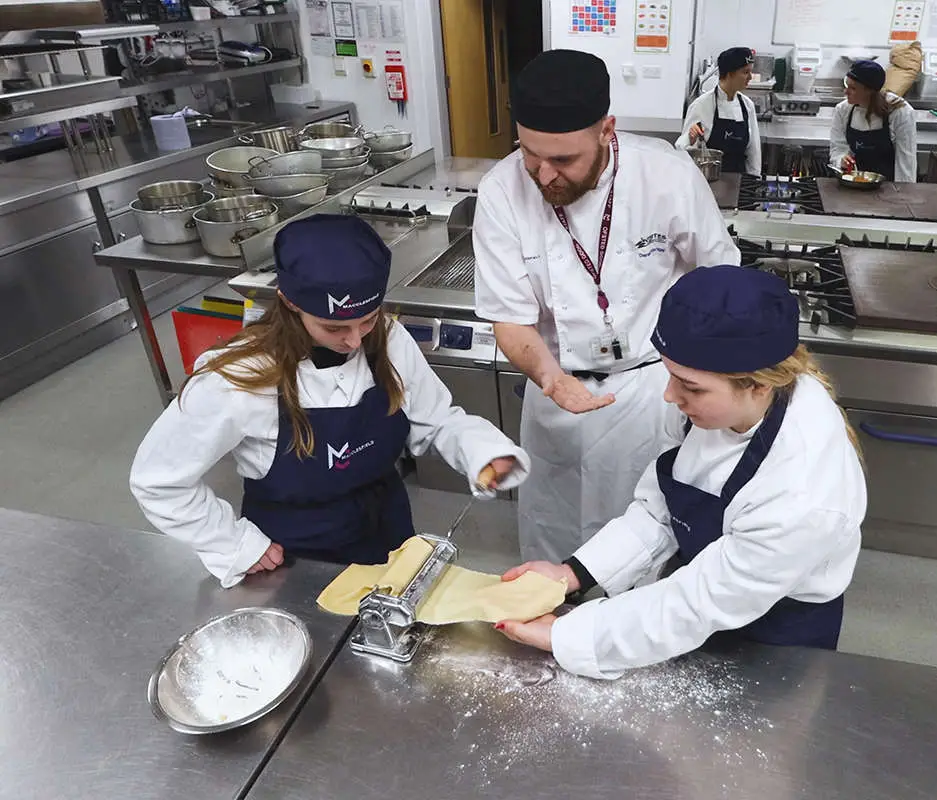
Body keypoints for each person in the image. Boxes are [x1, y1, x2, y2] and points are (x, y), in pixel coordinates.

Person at [494, 266, 867, 680]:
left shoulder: (802, 492)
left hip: (777, 633)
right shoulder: (710, 411)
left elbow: (698, 603)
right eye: (670, 376)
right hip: (691, 606)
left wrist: (571, 635)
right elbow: (659, 508)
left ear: (759, 385)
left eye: (691, 387)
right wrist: (573, 574)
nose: (670, 396)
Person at [130, 215, 529, 588]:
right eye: (335, 326)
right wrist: (235, 545)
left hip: (388, 535)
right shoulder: (236, 379)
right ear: (289, 302)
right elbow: (158, 481)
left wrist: (483, 453)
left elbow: (436, 419)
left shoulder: (387, 339)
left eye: (368, 319)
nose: (356, 341)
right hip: (294, 558)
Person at [473, 49, 741, 565]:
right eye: (530, 154)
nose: (544, 174)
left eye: (563, 160)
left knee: (645, 542)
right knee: (554, 545)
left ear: (606, 130)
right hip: (555, 392)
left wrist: (701, 379)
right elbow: (510, 316)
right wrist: (551, 380)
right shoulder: (502, 191)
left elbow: (718, 279)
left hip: (648, 392)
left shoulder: (666, 175)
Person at [676, 46, 762, 178]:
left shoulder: (747, 106)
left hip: (739, 182)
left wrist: (754, 179)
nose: (750, 77)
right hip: (708, 182)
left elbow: (753, 152)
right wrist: (691, 139)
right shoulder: (701, 105)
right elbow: (683, 150)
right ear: (729, 74)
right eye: (745, 72)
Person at [829, 59, 918, 183]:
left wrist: (902, 196)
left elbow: (906, 162)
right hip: (854, 183)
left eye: (853, 88)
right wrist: (842, 160)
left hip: (888, 187)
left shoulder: (900, 112)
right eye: (846, 85)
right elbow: (838, 148)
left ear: (870, 91)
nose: (846, 92)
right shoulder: (843, 110)